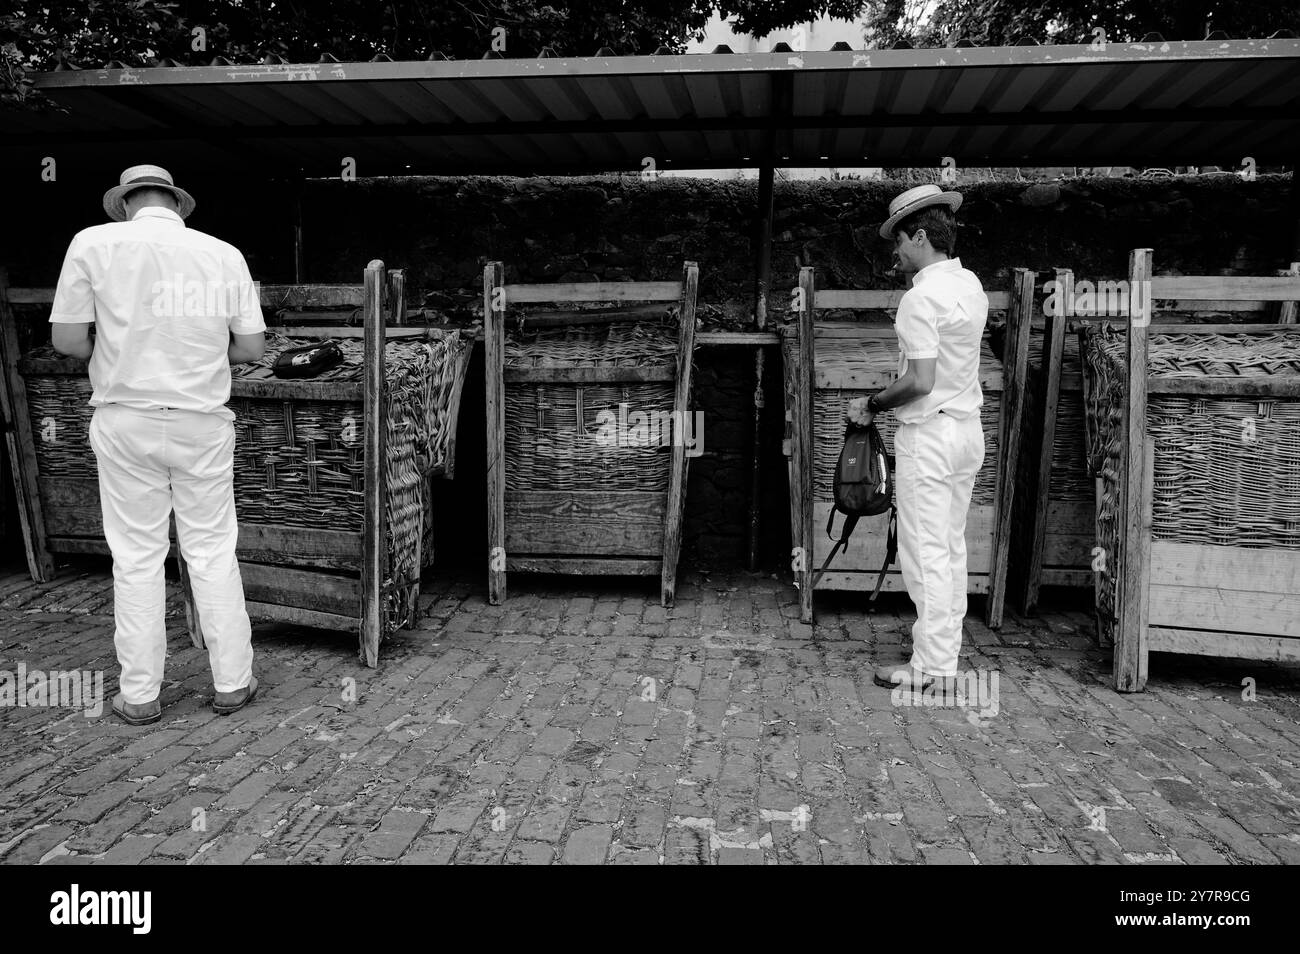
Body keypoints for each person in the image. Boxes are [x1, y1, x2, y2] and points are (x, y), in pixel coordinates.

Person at [49, 164, 266, 725]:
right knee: (213, 550)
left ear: (125, 204)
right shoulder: (224, 253)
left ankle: (141, 694)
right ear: (176, 204)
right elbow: (251, 347)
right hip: (201, 421)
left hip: (126, 419)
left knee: (136, 557)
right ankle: (233, 682)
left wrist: (115, 344)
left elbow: (67, 339)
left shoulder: (92, 243)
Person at [851, 184, 989, 693]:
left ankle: (932, 669)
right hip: (967, 431)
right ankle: (942, 657)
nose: (896, 250)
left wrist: (871, 405)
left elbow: (920, 382)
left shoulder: (920, 298)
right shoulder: (970, 285)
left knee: (924, 552)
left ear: (922, 236)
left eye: (901, 240)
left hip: (929, 435)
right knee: (950, 549)